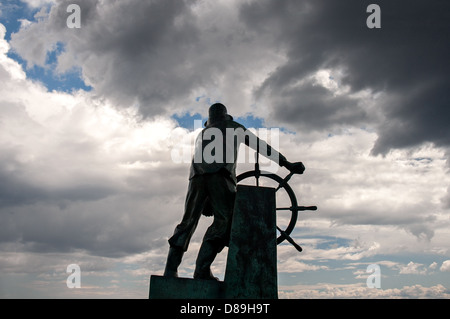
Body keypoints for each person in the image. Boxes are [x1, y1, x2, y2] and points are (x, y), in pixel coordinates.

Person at [164, 103, 304, 280]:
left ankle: (170, 270)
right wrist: (287, 163)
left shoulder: (203, 133)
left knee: (187, 222)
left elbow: (205, 162)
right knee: (224, 223)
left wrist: (206, 198)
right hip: (221, 176)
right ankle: (201, 270)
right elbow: (261, 146)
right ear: (226, 116)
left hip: (196, 178)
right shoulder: (234, 127)